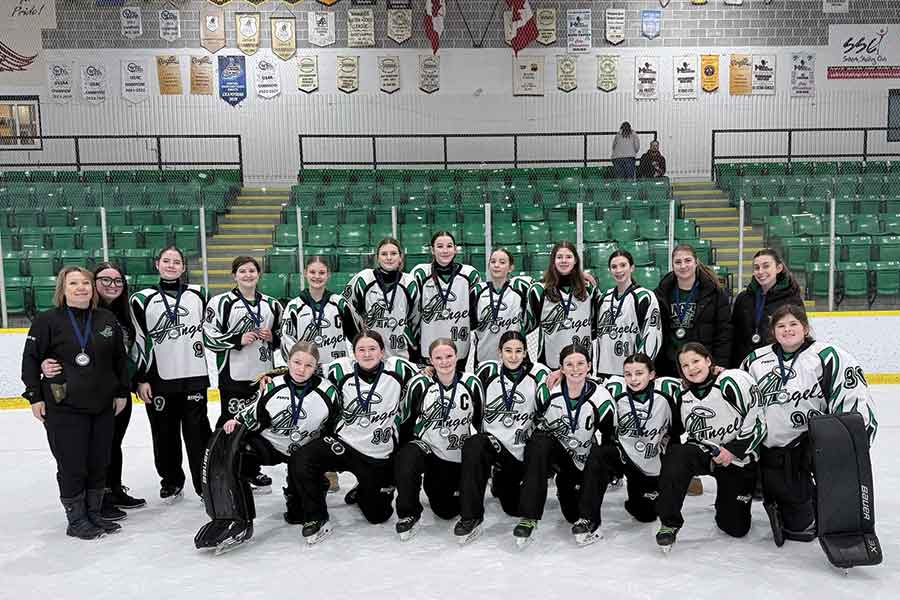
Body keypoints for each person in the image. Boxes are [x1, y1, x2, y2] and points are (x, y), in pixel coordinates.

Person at [741, 305, 877, 546]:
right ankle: (784, 496)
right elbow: (741, 402)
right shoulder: (755, 360)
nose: (787, 330)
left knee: (803, 528)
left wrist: (849, 447)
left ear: (805, 327)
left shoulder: (828, 356)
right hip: (772, 447)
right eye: (781, 326)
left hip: (811, 444)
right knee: (798, 527)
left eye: (793, 324)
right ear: (773, 331)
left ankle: (816, 496)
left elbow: (853, 398)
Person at [194, 342, 338, 554]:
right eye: (297, 362)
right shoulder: (272, 385)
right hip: (271, 444)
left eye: (308, 365)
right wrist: (236, 421)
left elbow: (333, 428)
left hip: (303, 453)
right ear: (287, 361)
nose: (301, 369)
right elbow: (255, 414)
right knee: (237, 453)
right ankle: (237, 518)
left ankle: (314, 491)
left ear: (316, 366)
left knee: (296, 517)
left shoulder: (328, 392)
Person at [22, 266, 130, 539]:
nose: (81, 287)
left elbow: (119, 360)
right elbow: (31, 361)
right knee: (72, 464)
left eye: (85, 283)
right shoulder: (47, 321)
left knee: (98, 462)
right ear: (63, 289)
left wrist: (120, 393)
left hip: (102, 405)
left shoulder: (106, 319)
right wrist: (34, 395)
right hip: (64, 407)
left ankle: (94, 514)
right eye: (73, 283)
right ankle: (76, 519)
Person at [290, 331, 418, 544]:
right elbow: (304, 371)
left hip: (378, 453)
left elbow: (431, 371)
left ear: (382, 352)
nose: (367, 354)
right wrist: (273, 377)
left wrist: (431, 369)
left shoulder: (398, 367)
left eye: (372, 349)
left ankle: (363, 490)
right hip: (343, 445)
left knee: (378, 516)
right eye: (361, 349)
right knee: (302, 459)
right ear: (354, 352)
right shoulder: (341, 369)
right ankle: (316, 517)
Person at [42, 262, 147, 520]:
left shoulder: (124, 312)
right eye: (105, 280)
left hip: (114, 393)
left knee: (110, 446)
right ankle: (91, 507)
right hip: (78, 399)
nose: (112, 285)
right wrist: (43, 370)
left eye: (118, 281)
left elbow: (128, 355)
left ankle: (109, 493)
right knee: (84, 454)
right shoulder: (66, 315)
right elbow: (41, 355)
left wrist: (128, 386)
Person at [654, 342, 766, 551]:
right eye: (685, 365)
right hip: (705, 452)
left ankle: (731, 500)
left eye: (696, 361)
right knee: (677, 454)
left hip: (738, 458)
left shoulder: (732, 381)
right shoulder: (680, 392)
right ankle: (669, 523)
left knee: (735, 528)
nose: (692, 368)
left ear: (708, 360)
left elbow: (758, 421)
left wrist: (733, 450)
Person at [131, 245, 212, 502]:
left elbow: (212, 329)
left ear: (184, 267)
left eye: (176, 262)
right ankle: (171, 480)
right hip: (158, 379)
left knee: (197, 434)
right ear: (157, 264)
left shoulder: (199, 294)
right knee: (163, 434)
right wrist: (140, 379)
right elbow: (138, 342)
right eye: (166, 261)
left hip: (194, 376)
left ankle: (204, 484)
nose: (171, 265)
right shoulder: (141, 299)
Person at [513, 344, 616, 547]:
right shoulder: (548, 390)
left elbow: (609, 439)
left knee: (572, 514)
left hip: (585, 461)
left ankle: (589, 517)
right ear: (561, 368)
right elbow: (534, 422)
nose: (575, 369)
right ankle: (529, 517)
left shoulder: (602, 397)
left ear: (589, 366)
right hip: (559, 456)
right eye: (569, 364)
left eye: (580, 364)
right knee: (539, 441)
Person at [454, 331, 550, 544]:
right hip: (497, 448)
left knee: (512, 507)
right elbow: (475, 407)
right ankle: (471, 517)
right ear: (499, 352)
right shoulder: (487, 373)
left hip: (523, 451)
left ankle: (528, 516)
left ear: (526, 352)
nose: (513, 356)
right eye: (508, 351)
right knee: (473, 444)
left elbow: (546, 407)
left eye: (518, 351)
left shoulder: (539, 375)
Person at [204, 256, 283, 492]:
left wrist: (273, 338)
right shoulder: (220, 302)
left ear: (259, 275)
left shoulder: (272, 304)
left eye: (252, 271)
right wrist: (237, 339)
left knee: (257, 425)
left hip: (263, 378)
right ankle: (226, 472)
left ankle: (250, 472)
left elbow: (283, 336)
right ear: (234, 275)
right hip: (233, 377)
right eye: (242, 271)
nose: (248, 275)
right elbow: (208, 337)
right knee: (231, 425)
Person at [393, 338, 483, 540]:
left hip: (458, 457)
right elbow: (406, 422)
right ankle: (408, 514)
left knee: (447, 511)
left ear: (457, 356)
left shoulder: (471, 382)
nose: (444, 362)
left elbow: (480, 423)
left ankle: (469, 505)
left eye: (449, 356)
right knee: (408, 454)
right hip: (430, 452)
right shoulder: (420, 383)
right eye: (438, 358)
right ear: (430, 360)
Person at [601, 354, 680, 526]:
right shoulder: (614, 391)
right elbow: (580, 378)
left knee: (647, 515)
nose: (633, 379)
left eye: (639, 373)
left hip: (655, 460)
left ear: (652, 375)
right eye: (628, 374)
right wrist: (559, 374)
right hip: (628, 459)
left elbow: (697, 380)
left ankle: (649, 492)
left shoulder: (667, 390)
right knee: (599, 454)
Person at [655, 244, 731, 377]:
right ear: (672, 266)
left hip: (700, 366)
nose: (683, 266)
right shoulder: (661, 294)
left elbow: (724, 332)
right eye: (678, 262)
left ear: (696, 262)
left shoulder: (715, 293)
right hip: (669, 365)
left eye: (688, 261)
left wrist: (720, 363)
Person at [411, 231, 481, 368]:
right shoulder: (420, 273)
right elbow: (412, 311)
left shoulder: (470, 274)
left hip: (459, 344)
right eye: (440, 246)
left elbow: (475, 311)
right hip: (428, 344)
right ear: (432, 250)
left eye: (449, 246)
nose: (445, 250)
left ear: (455, 249)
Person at [344, 238, 419, 360]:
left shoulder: (409, 282)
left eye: (393, 254)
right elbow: (344, 307)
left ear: (400, 257)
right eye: (384, 254)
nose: (389, 258)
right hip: (369, 353)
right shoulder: (364, 279)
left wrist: (415, 348)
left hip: (400, 352)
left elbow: (415, 319)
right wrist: (357, 336)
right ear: (377, 258)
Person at [527, 240, 597, 370]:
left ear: (575, 260)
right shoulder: (539, 289)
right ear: (553, 260)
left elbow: (596, 326)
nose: (564, 261)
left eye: (569, 257)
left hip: (581, 363)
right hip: (550, 363)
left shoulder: (589, 289)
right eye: (559, 257)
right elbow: (528, 325)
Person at [594, 250, 663, 380]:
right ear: (609, 270)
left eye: (623, 265)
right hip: (604, 370)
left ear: (632, 267)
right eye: (614, 267)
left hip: (631, 372)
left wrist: (641, 368)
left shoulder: (645, 296)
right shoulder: (604, 297)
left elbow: (653, 334)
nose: (618, 270)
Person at [729, 249, 803, 368]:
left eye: (766, 266)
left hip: (778, 365)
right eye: (756, 267)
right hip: (746, 364)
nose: (760, 271)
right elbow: (734, 335)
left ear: (779, 268)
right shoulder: (743, 299)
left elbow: (799, 335)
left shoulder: (791, 299)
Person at [282, 256, 358, 367]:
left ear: (328, 274)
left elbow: (356, 337)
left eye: (322, 273)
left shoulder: (340, 303)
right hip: (306, 371)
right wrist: (299, 364)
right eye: (312, 272)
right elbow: (287, 341)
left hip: (338, 369)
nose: (317, 276)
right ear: (305, 273)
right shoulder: (294, 307)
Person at [469, 248, 529, 368]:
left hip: (514, 359)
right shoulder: (478, 291)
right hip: (484, 358)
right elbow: (471, 323)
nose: (496, 265)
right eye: (493, 261)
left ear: (510, 267)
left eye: (502, 262)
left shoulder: (520, 289)